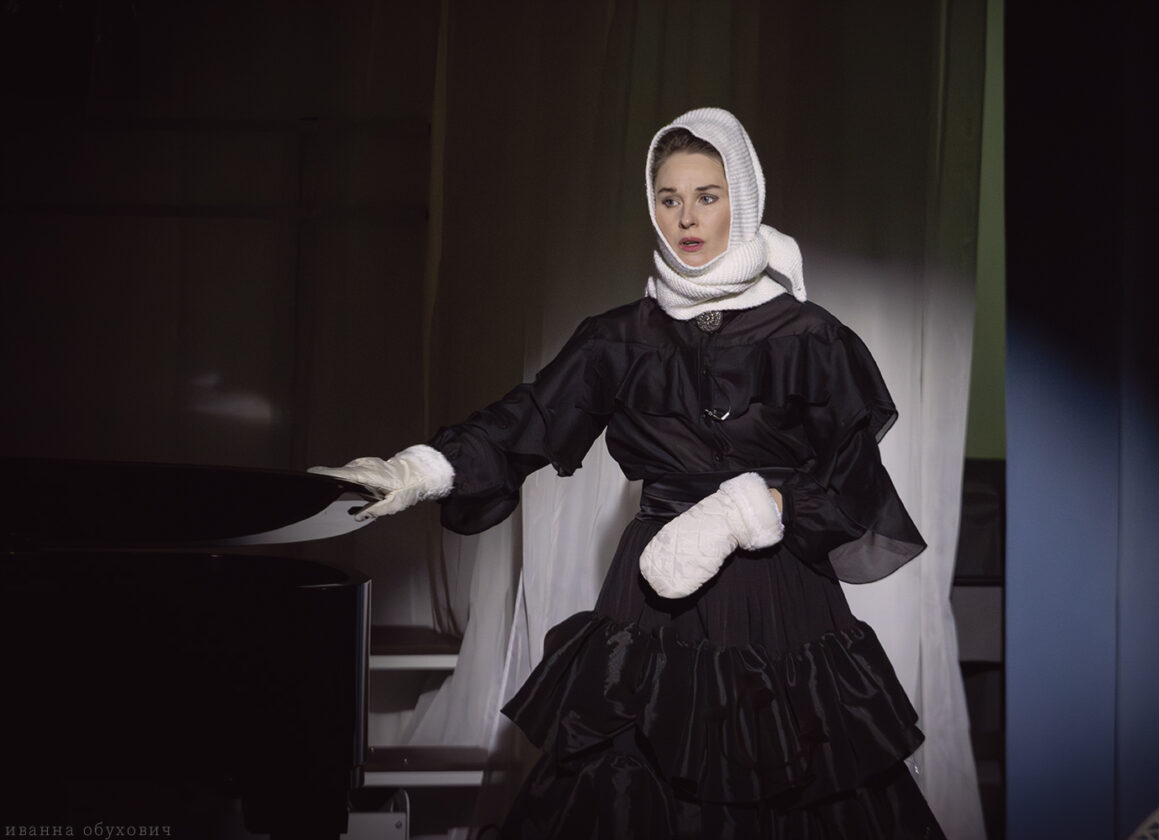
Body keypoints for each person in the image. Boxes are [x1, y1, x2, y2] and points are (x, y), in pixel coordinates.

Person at [312, 108, 947, 839]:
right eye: (669, 199)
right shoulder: (617, 338)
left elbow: (852, 479)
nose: (687, 218)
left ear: (743, 200)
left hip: (777, 594)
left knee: (792, 774)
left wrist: (753, 507)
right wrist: (422, 469)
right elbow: (531, 418)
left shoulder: (811, 336)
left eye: (707, 196)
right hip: (655, 596)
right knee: (629, 775)